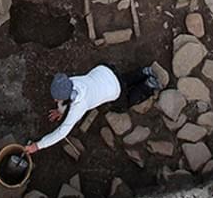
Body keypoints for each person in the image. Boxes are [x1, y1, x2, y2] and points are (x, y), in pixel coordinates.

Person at [24, 64, 160, 155]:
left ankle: (148, 86)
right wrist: (60, 111)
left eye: (57, 99)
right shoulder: (71, 81)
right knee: (123, 78)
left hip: (115, 89)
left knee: (126, 101)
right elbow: (67, 99)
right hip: (106, 70)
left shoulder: (79, 107)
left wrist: (38, 145)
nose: (55, 100)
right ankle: (144, 71)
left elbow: (61, 132)